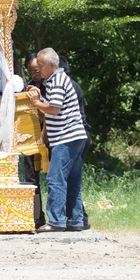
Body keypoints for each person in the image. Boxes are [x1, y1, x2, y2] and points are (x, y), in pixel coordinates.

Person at [26, 48, 88, 232]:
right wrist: (39, 97)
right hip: (74, 136)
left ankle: (55, 221)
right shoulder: (54, 80)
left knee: (55, 178)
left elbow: (54, 109)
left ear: (52, 65)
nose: (39, 70)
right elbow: (53, 104)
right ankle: (76, 220)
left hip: (66, 137)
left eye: (41, 66)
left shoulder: (58, 80)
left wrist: (36, 103)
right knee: (72, 180)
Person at [59, 55, 91, 230]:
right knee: (72, 180)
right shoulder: (73, 84)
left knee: (66, 180)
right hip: (80, 136)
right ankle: (79, 219)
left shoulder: (64, 85)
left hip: (72, 137)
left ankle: (77, 218)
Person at [22, 53, 46, 228]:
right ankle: (37, 216)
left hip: (51, 135)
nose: (34, 74)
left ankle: (61, 215)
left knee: (56, 177)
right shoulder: (25, 88)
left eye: (37, 71)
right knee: (31, 179)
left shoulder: (52, 85)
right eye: (30, 71)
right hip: (30, 137)